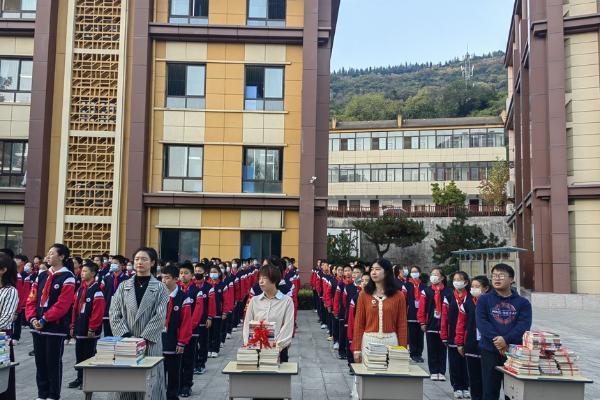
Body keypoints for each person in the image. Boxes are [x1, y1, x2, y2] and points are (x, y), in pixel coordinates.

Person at [109, 247, 169, 400]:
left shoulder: (160, 288)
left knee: (150, 386)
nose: (139, 262)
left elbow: (160, 316)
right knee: (125, 387)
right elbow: (114, 313)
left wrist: (143, 340)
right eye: (136, 259)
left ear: (153, 262)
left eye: (144, 259)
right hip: (126, 344)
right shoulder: (123, 286)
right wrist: (127, 337)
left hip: (150, 343)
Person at [25, 243, 76, 400]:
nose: (48, 256)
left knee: (52, 363)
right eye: (48, 253)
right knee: (40, 363)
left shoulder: (68, 277)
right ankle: (42, 394)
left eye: (52, 253)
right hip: (37, 326)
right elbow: (31, 298)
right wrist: (32, 318)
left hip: (55, 326)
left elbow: (63, 304)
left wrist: (45, 319)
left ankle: (53, 395)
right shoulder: (42, 275)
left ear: (62, 257)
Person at [476, 263, 532, 400]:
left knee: (513, 392)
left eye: (501, 275)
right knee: (489, 391)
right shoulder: (484, 299)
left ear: (512, 279)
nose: (497, 278)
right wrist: (498, 341)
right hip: (489, 350)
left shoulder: (523, 303)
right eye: (494, 275)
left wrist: (506, 340)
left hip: (513, 352)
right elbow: (482, 323)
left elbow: (523, 326)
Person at [352, 258, 408, 364]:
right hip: (369, 342)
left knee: (390, 377)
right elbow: (359, 323)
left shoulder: (398, 296)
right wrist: (357, 349)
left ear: (386, 272)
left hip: (391, 342)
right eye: (372, 269)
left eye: (377, 269)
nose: (373, 272)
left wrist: (403, 349)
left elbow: (402, 325)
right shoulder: (364, 295)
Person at [243, 263, 295, 362]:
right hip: (256, 349)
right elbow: (247, 324)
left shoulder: (287, 301)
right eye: (259, 278)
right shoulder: (254, 301)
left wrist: (277, 346)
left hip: (278, 351)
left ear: (274, 280)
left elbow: (288, 327)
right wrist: (248, 343)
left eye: (264, 278)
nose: (261, 281)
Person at [68, 260, 105, 390]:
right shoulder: (80, 289)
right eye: (82, 271)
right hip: (79, 327)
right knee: (79, 355)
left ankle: (88, 380)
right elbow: (74, 309)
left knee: (89, 356)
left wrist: (92, 328)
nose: (82, 273)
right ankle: (79, 378)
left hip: (90, 330)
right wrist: (72, 325)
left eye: (85, 271)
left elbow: (98, 313)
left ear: (93, 273)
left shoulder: (97, 291)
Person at [455, 275, 490, 400]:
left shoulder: (491, 304)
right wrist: (459, 343)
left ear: (486, 288)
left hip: (488, 346)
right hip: (471, 344)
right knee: (474, 378)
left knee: (487, 379)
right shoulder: (467, 304)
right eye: (472, 286)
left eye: (477, 287)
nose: (474, 289)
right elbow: (460, 324)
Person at [162, 264, 192, 400]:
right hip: (159, 341)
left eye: (167, 278)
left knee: (174, 374)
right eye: (162, 277)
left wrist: (182, 342)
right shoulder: (158, 295)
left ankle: (173, 396)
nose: (163, 281)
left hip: (174, 342)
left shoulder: (182, 297)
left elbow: (186, 322)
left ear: (175, 279)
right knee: (159, 374)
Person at [441, 271, 471, 399]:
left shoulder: (470, 297)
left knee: (466, 363)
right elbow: (444, 317)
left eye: (460, 279)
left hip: (467, 335)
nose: (457, 281)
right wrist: (444, 335)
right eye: (455, 279)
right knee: (454, 363)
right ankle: (457, 387)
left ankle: (466, 386)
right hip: (452, 334)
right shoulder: (449, 297)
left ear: (466, 282)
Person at [418, 267, 451, 381]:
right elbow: (422, 308)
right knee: (432, 348)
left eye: (436, 274)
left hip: (443, 325)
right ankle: (433, 371)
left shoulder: (448, 291)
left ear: (442, 277)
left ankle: (441, 371)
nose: (433, 276)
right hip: (431, 323)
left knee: (442, 349)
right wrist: (422, 322)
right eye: (432, 274)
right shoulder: (426, 291)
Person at [177, 261, 199, 397]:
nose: (183, 276)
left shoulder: (196, 291)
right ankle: (177, 384)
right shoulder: (175, 290)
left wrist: (189, 328)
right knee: (176, 360)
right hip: (176, 331)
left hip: (191, 331)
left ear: (192, 275)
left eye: (186, 273)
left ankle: (187, 385)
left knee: (188, 359)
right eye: (181, 273)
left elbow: (197, 312)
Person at [0, 253, 18, 400]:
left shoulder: (10, 291)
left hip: (1, 339)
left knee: (2, 382)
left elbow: (5, 319)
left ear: (3, 270)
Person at [402, 265, 426, 363]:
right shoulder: (407, 285)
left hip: (421, 314)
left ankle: (419, 354)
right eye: (412, 271)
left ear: (419, 273)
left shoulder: (424, 286)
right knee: (412, 335)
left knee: (420, 335)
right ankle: (413, 353)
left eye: (416, 271)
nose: (414, 273)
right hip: (411, 313)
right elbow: (403, 299)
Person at [346, 270, 368, 372]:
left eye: (367, 281)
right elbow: (351, 319)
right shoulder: (355, 298)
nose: (364, 283)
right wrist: (351, 336)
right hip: (358, 332)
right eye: (362, 280)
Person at [102, 256, 129, 337]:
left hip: (121, 313)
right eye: (112, 263)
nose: (113, 265)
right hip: (107, 311)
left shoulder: (127, 279)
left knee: (120, 337)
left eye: (115, 263)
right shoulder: (106, 278)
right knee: (108, 337)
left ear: (122, 265)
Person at [193, 263, 211, 374]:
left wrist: (210, 317)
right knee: (193, 344)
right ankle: (194, 364)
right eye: (196, 271)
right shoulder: (192, 287)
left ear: (204, 273)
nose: (197, 273)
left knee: (203, 343)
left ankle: (201, 364)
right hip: (192, 322)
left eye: (200, 271)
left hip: (204, 320)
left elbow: (211, 304)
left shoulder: (208, 287)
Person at [206, 265, 225, 358]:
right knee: (208, 332)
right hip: (208, 314)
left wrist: (224, 312)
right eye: (211, 272)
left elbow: (225, 300)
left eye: (215, 272)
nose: (213, 274)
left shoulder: (222, 285)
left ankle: (215, 349)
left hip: (218, 313)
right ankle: (209, 348)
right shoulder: (207, 285)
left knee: (216, 332)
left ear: (219, 273)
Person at [12, 254, 28, 344]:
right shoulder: (11, 273)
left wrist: (22, 303)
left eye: (17, 259)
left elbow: (25, 291)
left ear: (23, 262)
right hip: (12, 299)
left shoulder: (25, 275)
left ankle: (16, 337)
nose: (15, 260)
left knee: (18, 321)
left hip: (20, 301)